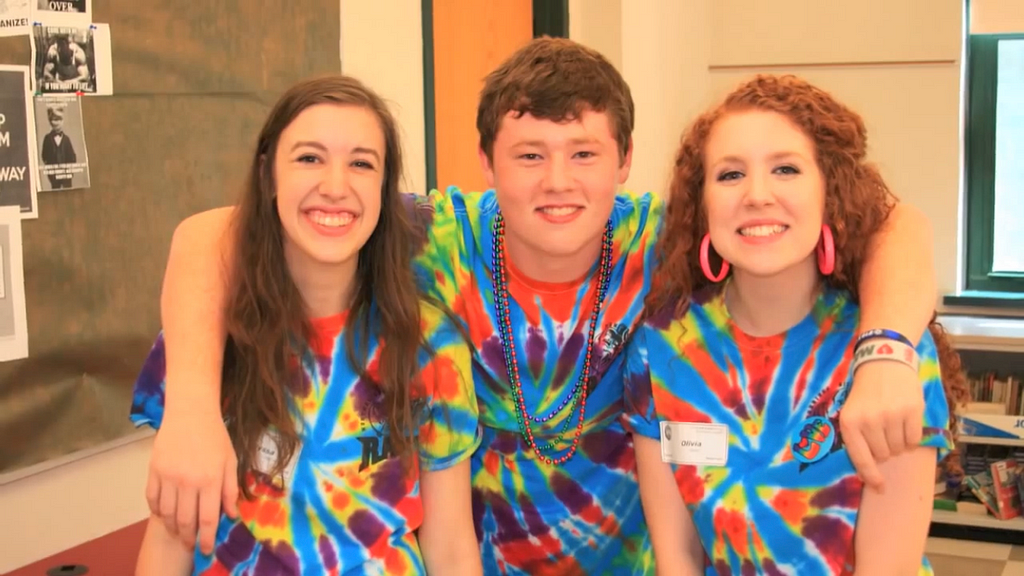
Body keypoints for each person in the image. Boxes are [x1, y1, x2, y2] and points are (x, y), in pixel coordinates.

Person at [143, 38, 940, 575]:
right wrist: (189, 413)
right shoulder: (432, 236)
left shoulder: (678, 240)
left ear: (626, 161)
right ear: (486, 160)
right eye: (528, 156)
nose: (558, 182)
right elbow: (214, 235)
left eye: (585, 154)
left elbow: (895, 222)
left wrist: (886, 351)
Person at [130, 75, 483, 576]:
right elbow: (171, 542)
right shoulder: (204, 344)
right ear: (268, 175)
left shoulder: (430, 342)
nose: (335, 186)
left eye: (361, 163)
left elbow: (449, 543)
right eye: (309, 158)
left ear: (385, 188)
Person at [624, 74, 968, 575]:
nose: (757, 195)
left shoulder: (889, 354)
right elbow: (677, 559)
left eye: (785, 169)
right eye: (730, 174)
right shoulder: (660, 349)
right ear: (702, 201)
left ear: (829, 191)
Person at [40, 103, 76, 189]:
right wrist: (50, 167)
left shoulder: (66, 139)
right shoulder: (47, 138)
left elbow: (72, 156)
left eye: (59, 119)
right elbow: (44, 155)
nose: (56, 122)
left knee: (68, 191)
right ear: (50, 121)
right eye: (53, 119)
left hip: (66, 174)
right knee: (55, 190)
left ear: (63, 120)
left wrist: (69, 171)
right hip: (54, 174)